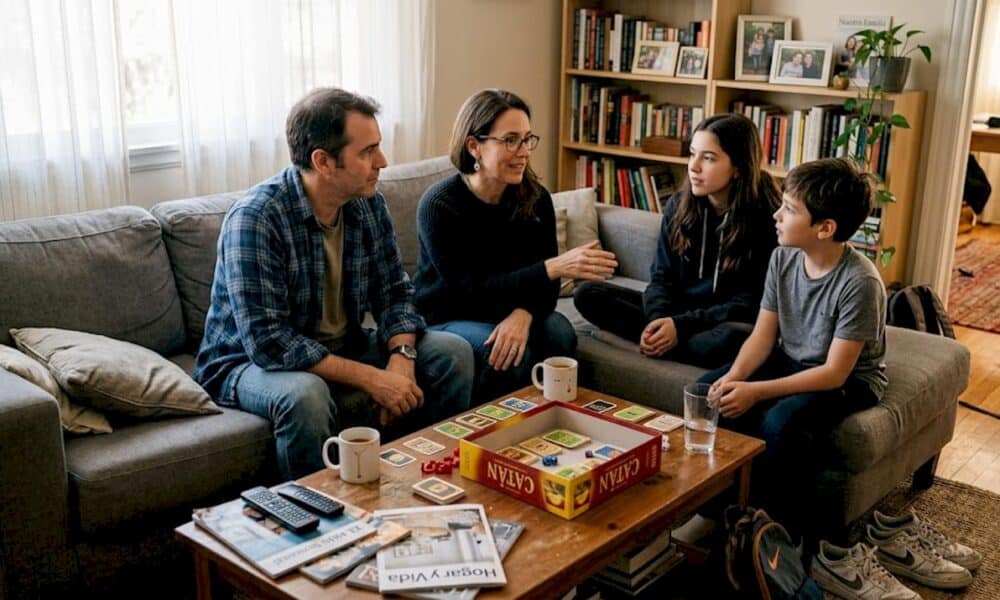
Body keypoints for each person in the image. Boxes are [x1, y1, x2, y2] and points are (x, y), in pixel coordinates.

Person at [193, 87, 475, 480]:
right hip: (245, 364)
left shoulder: (368, 203)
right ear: (323, 161)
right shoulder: (256, 218)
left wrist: (401, 358)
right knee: (305, 396)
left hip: (344, 346)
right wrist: (375, 380)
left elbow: (395, 293)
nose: (382, 161)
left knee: (452, 353)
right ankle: (316, 510)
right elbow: (269, 342)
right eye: (367, 152)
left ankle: (425, 480)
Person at [698, 157, 888, 539]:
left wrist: (756, 391)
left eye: (789, 209)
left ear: (825, 228)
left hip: (849, 380)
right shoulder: (783, 257)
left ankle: (773, 530)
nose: (777, 215)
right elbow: (762, 337)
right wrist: (735, 378)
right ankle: (719, 510)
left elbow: (834, 373)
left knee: (779, 423)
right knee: (708, 392)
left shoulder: (860, 282)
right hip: (793, 359)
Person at [414, 89, 617, 401]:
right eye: (510, 140)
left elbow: (547, 288)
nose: (524, 152)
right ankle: (498, 429)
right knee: (506, 352)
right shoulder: (440, 205)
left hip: (507, 307)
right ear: (474, 147)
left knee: (559, 332)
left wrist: (523, 312)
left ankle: (555, 418)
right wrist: (551, 267)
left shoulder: (535, 198)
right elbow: (469, 290)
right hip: (449, 315)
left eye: (527, 139)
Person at [573, 113, 780, 369]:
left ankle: (669, 345)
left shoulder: (767, 217)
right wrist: (658, 321)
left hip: (721, 321)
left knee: (733, 338)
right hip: (676, 314)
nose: (694, 167)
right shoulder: (679, 204)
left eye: (708, 158)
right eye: (693, 154)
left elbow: (749, 303)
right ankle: (663, 341)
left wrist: (680, 327)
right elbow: (661, 278)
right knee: (588, 293)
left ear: (738, 167)